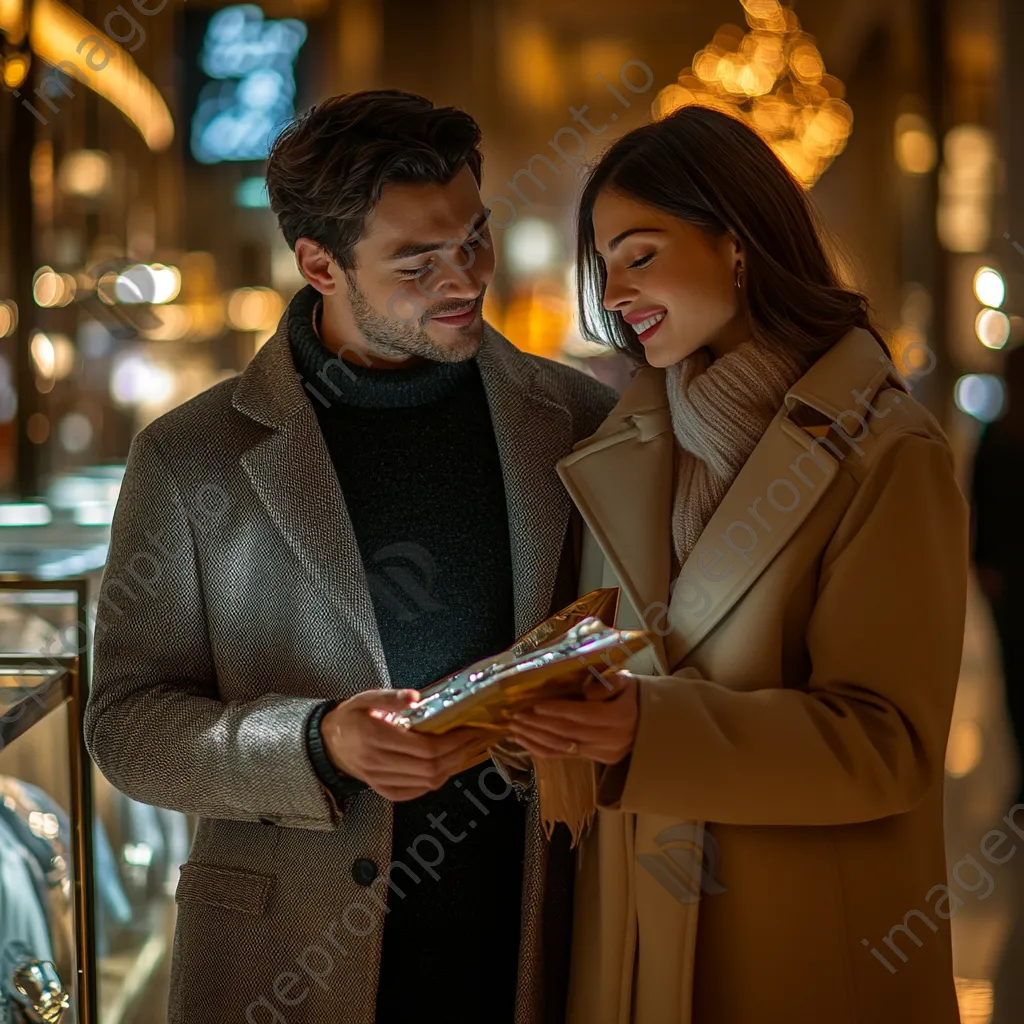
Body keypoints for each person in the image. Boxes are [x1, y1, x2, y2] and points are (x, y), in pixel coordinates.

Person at [85, 90, 616, 1024]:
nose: (465, 278)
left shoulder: (579, 421)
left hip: (533, 940)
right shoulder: (191, 454)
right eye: (418, 261)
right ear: (319, 264)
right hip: (285, 958)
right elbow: (126, 726)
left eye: (474, 238)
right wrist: (316, 740)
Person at [508, 105, 970, 1024]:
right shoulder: (625, 450)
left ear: (739, 244)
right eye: (605, 265)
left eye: (641, 253)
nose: (618, 290)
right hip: (631, 954)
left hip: (802, 956)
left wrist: (648, 728)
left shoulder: (887, 453)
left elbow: (889, 745)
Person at [971, 344, 1024, 806]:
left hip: (1007, 579)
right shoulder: (997, 437)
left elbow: (979, 506)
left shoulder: (997, 435)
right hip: (1007, 578)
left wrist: (984, 562)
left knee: (1015, 675)